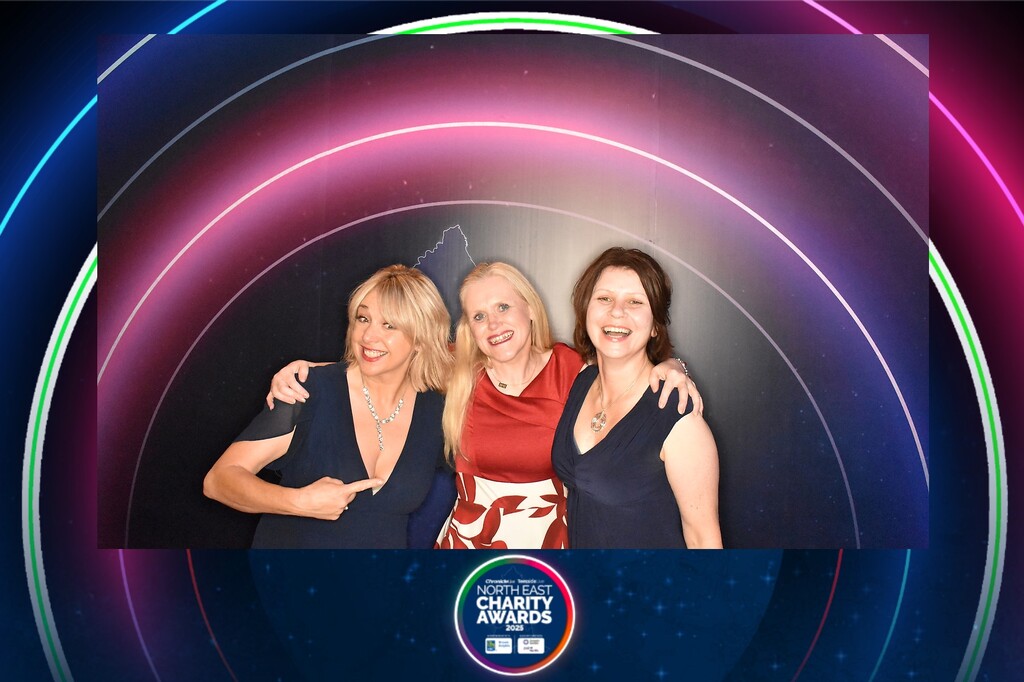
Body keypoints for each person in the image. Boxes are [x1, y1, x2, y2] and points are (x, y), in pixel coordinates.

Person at [269, 261, 702, 550]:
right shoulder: (456, 371)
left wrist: (672, 365)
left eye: (503, 307)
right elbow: (386, 357)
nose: (493, 324)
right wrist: (308, 371)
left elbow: (626, 363)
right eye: (478, 316)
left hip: (550, 549)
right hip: (468, 546)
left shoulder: (573, 369)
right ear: (469, 328)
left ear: (529, 310)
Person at [203, 265, 453, 548]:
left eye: (389, 325)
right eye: (363, 318)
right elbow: (219, 480)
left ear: (420, 339)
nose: (368, 336)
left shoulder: (438, 410)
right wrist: (299, 501)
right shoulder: (311, 391)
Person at [551, 247, 722, 549]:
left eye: (635, 301)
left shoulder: (677, 416)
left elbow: (703, 539)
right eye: (604, 298)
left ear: (655, 325)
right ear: (585, 310)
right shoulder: (582, 382)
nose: (617, 311)